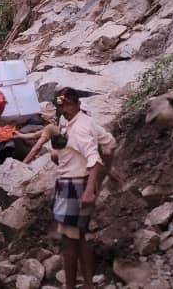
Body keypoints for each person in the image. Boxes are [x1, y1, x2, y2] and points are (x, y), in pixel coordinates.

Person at [51, 87, 101, 289]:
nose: (65, 111)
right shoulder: (82, 123)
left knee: (69, 240)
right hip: (77, 182)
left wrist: (89, 190)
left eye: (69, 106)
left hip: (75, 184)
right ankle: (88, 284)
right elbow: (106, 145)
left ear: (78, 104)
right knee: (80, 237)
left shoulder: (79, 127)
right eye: (63, 107)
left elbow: (94, 159)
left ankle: (70, 286)